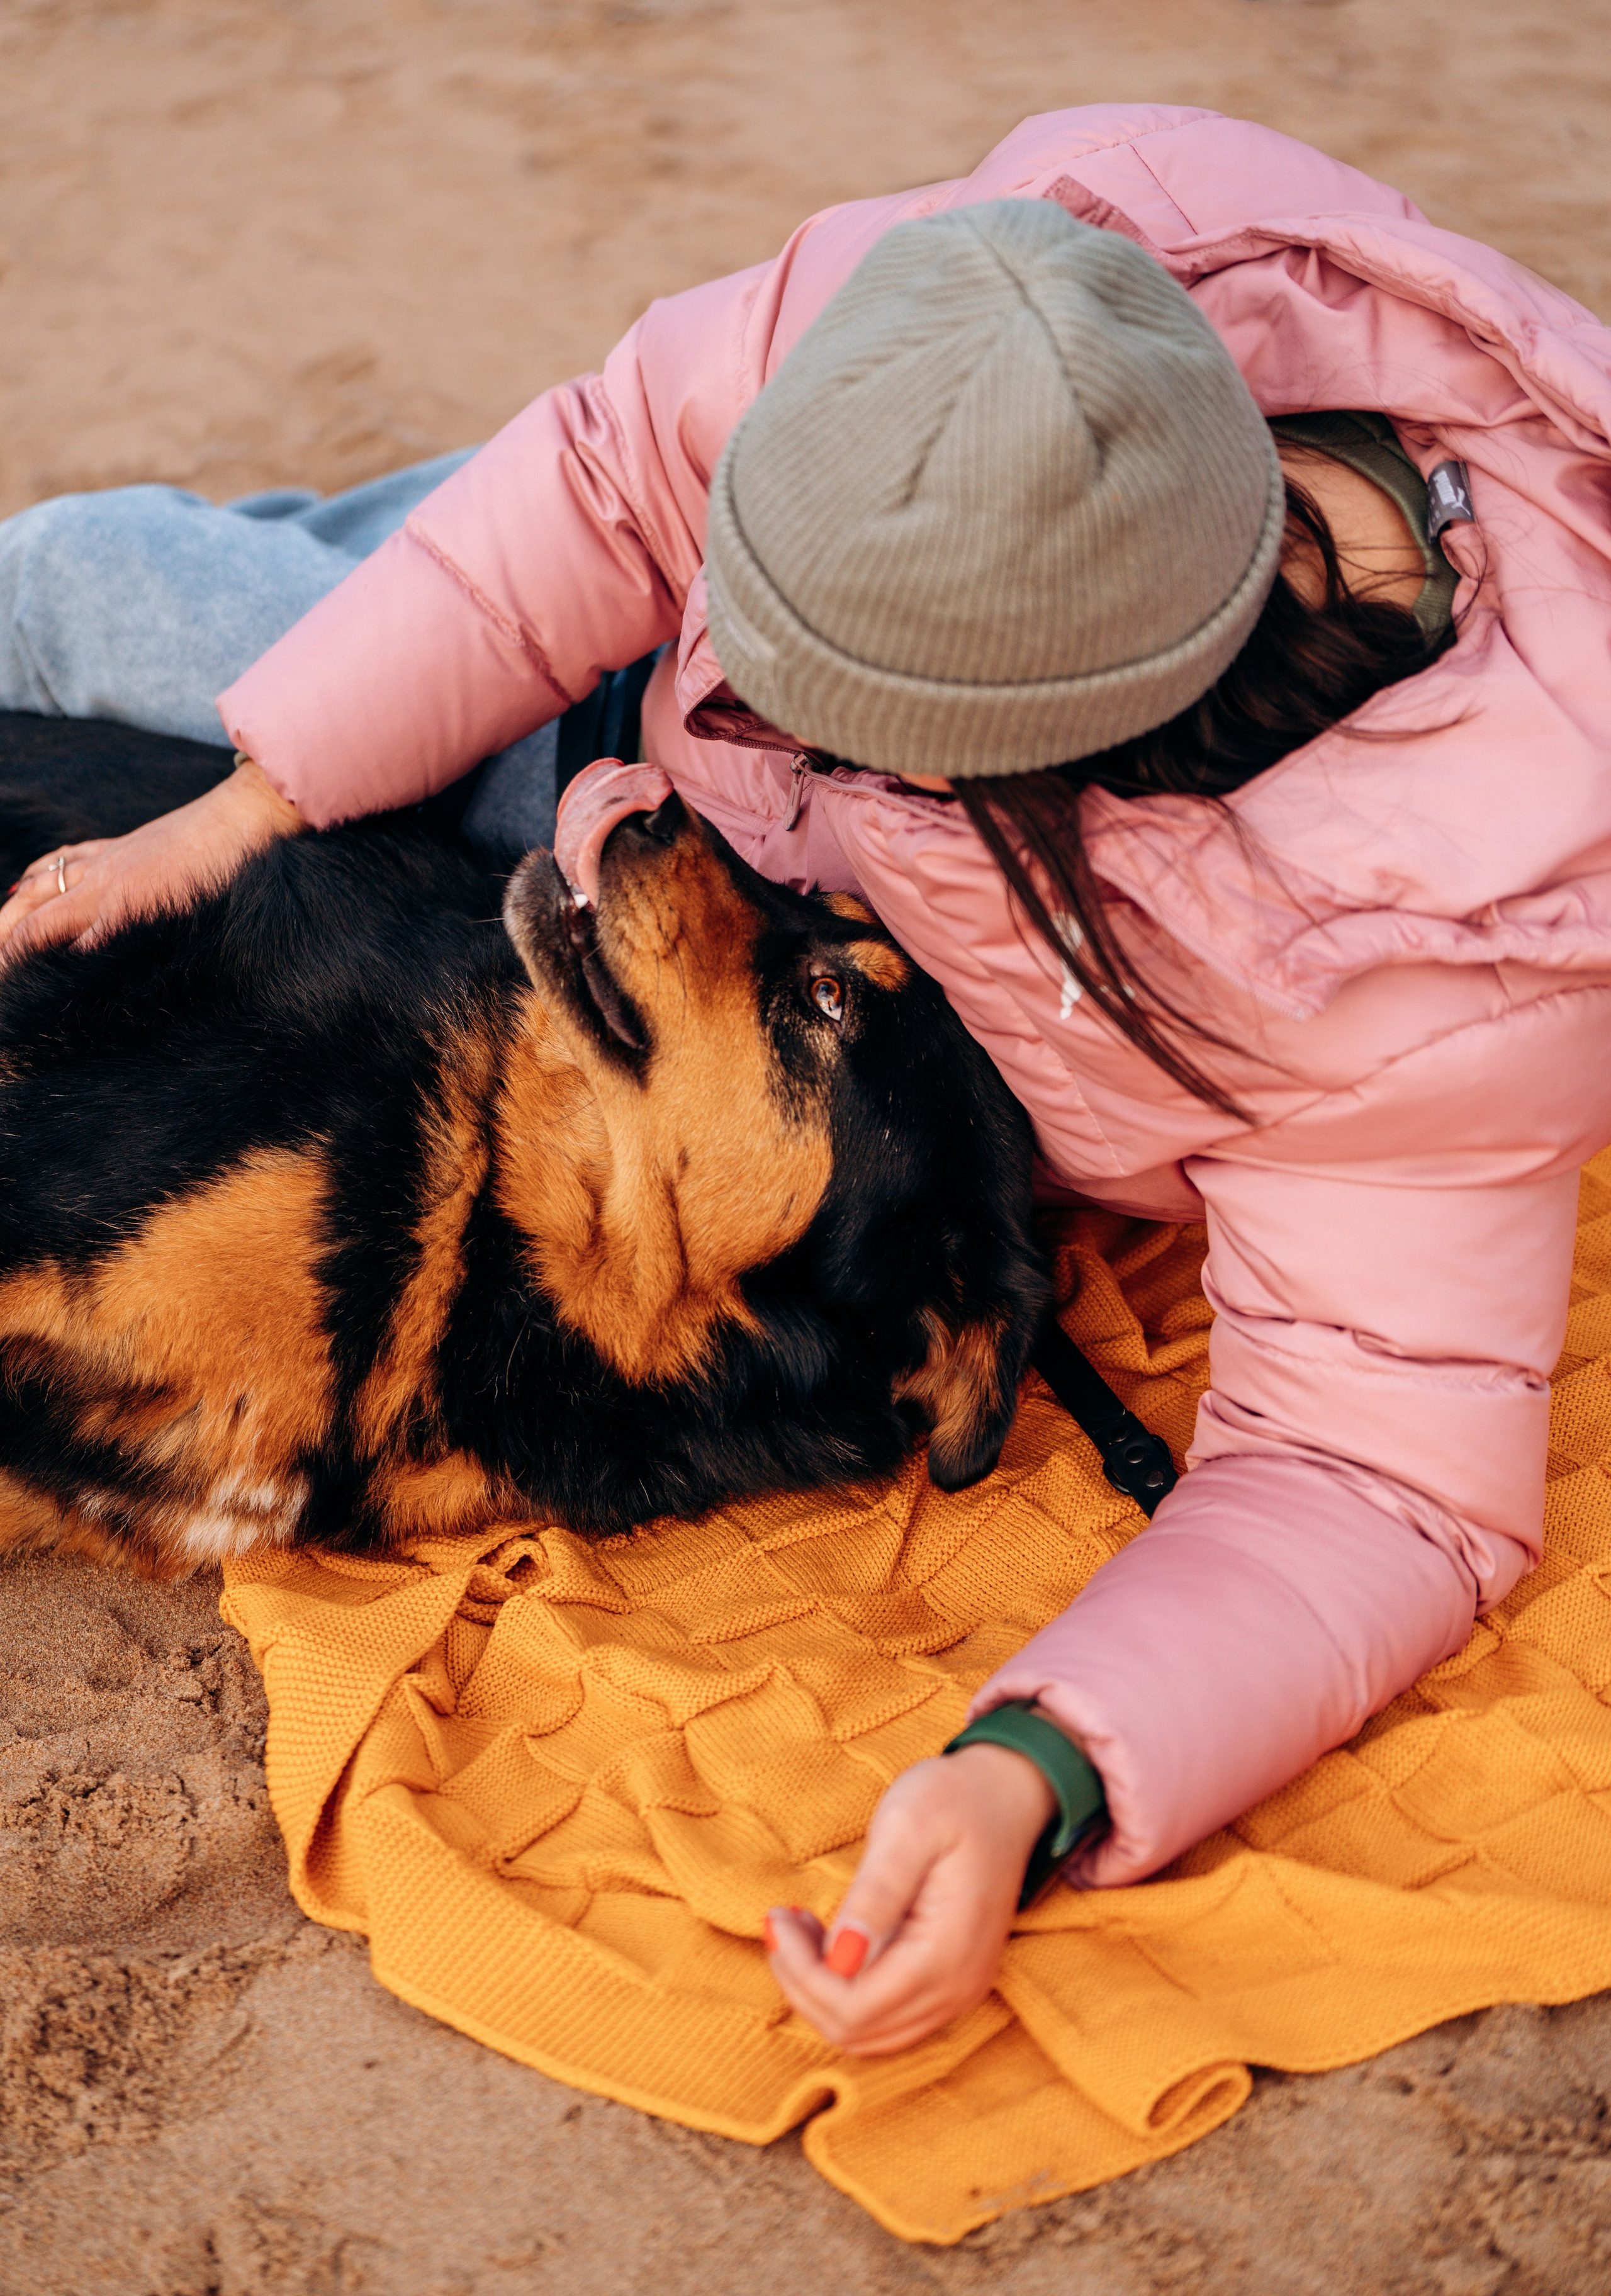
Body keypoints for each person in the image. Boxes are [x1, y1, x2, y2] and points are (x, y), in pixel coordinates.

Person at [3, 103, 1610, 2060]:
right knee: (83, 589)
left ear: (1041, 748)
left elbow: (1378, 1478)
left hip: (814, 936)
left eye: (812, 667)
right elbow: (612, 480)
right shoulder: (1014, 297)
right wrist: (256, 799)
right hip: (633, 753)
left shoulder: (1435, 976)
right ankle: (403, 564)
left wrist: (1036, 1765)